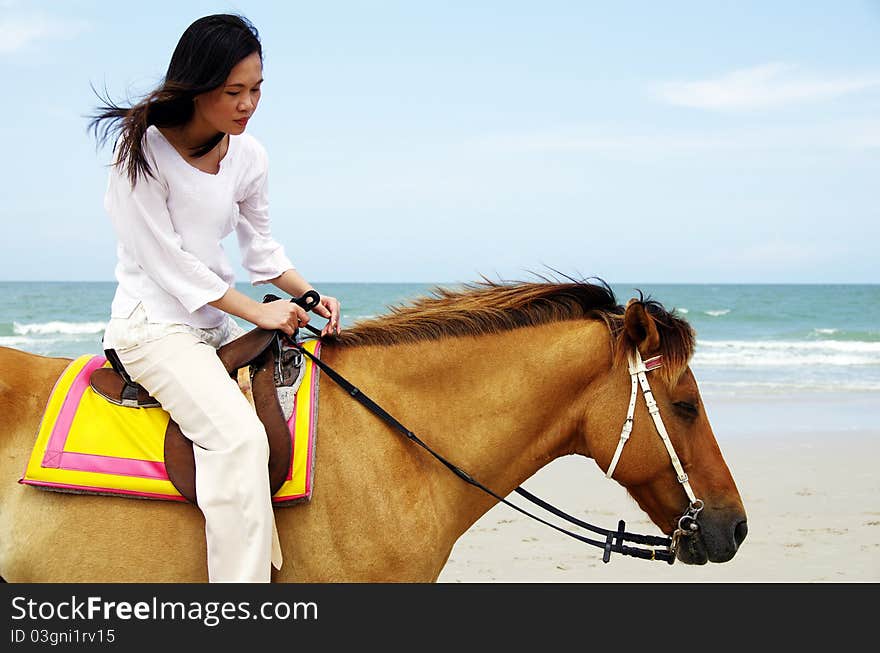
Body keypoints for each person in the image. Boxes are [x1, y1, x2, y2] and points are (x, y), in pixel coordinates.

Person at [89, 14, 341, 582]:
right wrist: (260, 312)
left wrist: (308, 293)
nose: (248, 104)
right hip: (152, 326)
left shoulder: (249, 156)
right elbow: (170, 265)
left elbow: (263, 248)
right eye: (234, 92)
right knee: (238, 440)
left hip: (214, 325)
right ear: (197, 85)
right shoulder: (141, 156)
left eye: (256, 90)